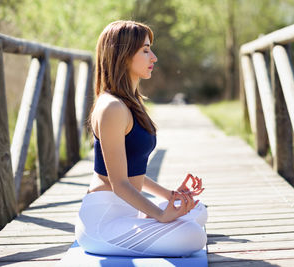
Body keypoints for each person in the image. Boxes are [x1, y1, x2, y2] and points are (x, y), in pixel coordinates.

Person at [75, 20, 207, 257]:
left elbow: (129, 171)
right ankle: (150, 222)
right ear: (122, 55)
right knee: (193, 235)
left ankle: (149, 221)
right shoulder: (111, 107)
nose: (154, 57)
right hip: (103, 221)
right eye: (145, 50)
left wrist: (170, 196)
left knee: (198, 211)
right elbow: (119, 182)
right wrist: (160, 214)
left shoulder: (130, 102)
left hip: (129, 211)